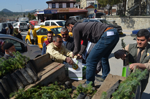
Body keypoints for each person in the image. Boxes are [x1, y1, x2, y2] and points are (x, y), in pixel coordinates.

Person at [65, 18, 119, 85]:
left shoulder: (75, 28)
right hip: (114, 33)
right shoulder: (82, 26)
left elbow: (77, 46)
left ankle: (89, 83)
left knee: (90, 60)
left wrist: (73, 53)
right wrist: (80, 53)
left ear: (70, 25)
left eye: (68, 29)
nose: (69, 31)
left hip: (107, 35)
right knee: (104, 57)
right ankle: (105, 77)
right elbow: (85, 43)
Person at [114, 29, 150, 95]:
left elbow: (149, 65)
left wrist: (138, 65)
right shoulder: (130, 46)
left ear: (148, 39)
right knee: (125, 92)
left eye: (142, 40)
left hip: (142, 77)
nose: (139, 42)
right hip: (127, 74)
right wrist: (119, 54)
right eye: (138, 39)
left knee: (137, 94)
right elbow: (121, 52)